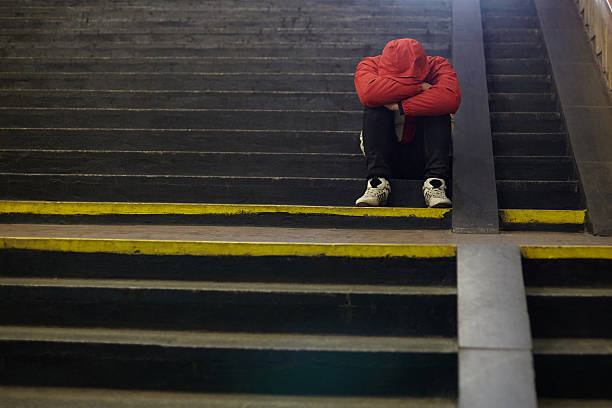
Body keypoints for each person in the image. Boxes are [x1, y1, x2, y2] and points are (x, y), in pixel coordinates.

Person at [353, 38, 461, 207]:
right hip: (386, 155)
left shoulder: (438, 65)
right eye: (399, 78)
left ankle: (435, 183)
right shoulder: (370, 65)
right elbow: (368, 94)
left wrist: (400, 105)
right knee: (374, 108)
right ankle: (377, 183)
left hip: (425, 155)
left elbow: (450, 100)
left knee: (438, 109)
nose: (404, 80)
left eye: (410, 77)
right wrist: (419, 87)